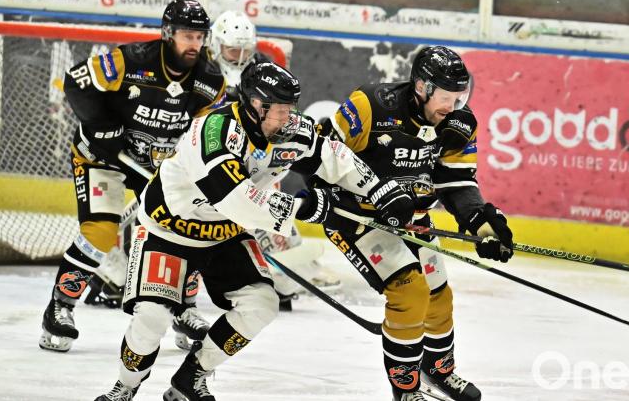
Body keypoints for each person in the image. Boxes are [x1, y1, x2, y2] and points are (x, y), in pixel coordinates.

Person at [94, 61, 413, 401]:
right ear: (256, 105)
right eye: (280, 109)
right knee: (152, 318)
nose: (289, 117)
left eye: (291, 108)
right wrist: (301, 209)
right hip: (168, 230)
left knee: (261, 303)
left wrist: (378, 189)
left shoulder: (286, 128)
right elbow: (235, 199)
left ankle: (192, 377)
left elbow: (329, 154)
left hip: (224, 234)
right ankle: (124, 387)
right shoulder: (215, 131)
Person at [316, 46, 514, 401]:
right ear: (422, 87)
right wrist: (332, 197)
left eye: (460, 98)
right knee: (410, 292)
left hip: (413, 220)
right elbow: (324, 157)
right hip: (358, 219)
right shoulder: (370, 106)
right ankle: (405, 388)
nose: (453, 108)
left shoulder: (458, 123)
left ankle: (439, 369)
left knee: (439, 295)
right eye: (446, 98)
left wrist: (482, 225)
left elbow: (456, 182)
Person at [38, 0, 226, 353]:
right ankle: (60, 307)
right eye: (188, 35)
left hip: (155, 168)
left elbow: (206, 132)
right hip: (102, 157)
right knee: (100, 232)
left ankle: (183, 308)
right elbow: (75, 83)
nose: (195, 45)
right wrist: (100, 126)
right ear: (167, 34)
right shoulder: (131, 60)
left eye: (200, 37)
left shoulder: (209, 81)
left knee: (188, 229)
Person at [210, 10, 341, 310]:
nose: (240, 56)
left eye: (246, 49)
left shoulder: (260, 70)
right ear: (217, 45)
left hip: (258, 169)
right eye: (233, 49)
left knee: (290, 272)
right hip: (219, 166)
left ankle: (273, 277)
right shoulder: (204, 74)